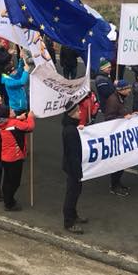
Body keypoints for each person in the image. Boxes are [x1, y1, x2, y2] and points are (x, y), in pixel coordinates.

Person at [0, 108, 35, 211]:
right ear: (8, 115)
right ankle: (9, 203)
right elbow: (29, 127)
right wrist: (30, 118)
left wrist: (21, 118)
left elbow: (14, 124)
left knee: (7, 180)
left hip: (5, 156)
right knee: (15, 182)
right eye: (10, 110)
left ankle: (7, 200)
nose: (13, 110)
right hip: (15, 157)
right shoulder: (14, 123)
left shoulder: (2, 123)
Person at [61, 100, 86, 234]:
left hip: (73, 166)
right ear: (72, 114)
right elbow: (73, 154)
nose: (80, 112)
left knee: (76, 192)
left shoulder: (71, 128)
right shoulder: (70, 131)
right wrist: (78, 171)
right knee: (72, 193)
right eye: (78, 111)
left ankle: (73, 215)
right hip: (73, 167)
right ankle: (68, 222)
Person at [103, 80, 132, 196]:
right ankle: (114, 185)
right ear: (121, 90)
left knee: (122, 161)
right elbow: (109, 118)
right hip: (115, 135)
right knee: (118, 162)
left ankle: (117, 183)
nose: (129, 91)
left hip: (120, 133)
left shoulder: (119, 98)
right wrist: (124, 117)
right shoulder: (113, 101)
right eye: (127, 89)